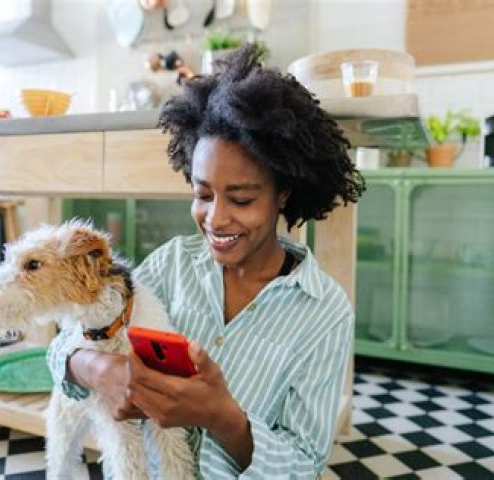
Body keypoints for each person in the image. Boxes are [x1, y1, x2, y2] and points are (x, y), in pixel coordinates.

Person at [48, 43, 365, 479]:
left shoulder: (324, 313)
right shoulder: (170, 266)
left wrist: (222, 417)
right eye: (202, 194)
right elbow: (62, 348)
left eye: (241, 199)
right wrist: (98, 368)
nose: (215, 218)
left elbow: (303, 462)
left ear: (284, 195)